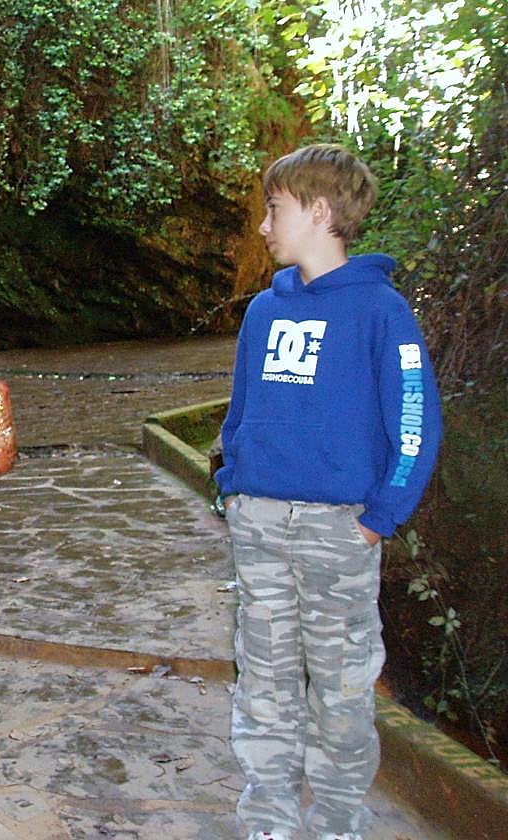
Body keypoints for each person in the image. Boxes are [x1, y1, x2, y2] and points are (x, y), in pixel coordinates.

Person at [215, 144, 442, 840]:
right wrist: (230, 486)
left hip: (338, 531)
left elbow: (415, 422)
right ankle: (271, 823)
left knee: (341, 691)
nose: (262, 226)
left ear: (319, 212)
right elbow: (241, 410)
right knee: (264, 682)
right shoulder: (262, 312)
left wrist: (380, 518)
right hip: (258, 526)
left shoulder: (381, 311)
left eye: (273, 209)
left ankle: (337, 824)